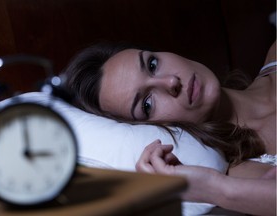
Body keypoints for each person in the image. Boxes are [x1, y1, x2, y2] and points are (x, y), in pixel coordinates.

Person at [63, 40, 276, 215]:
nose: (171, 82)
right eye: (147, 104)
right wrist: (214, 189)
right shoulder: (248, 175)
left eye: (153, 65)